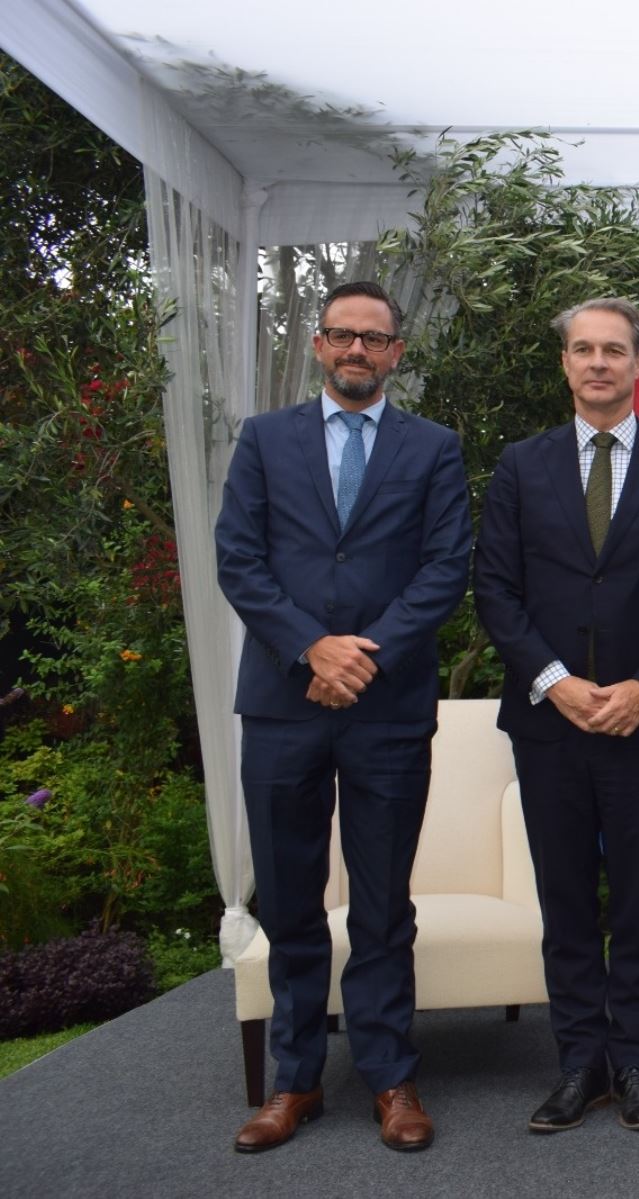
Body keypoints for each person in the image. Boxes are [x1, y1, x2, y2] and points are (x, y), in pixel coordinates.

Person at [216, 281, 472, 1153]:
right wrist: (311, 649)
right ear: (319, 344)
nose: (358, 350)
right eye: (342, 336)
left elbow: (445, 568)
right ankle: (293, 1083)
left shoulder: (434, 448)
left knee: (381, 904)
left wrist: (361, 655)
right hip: (284, 705)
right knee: (289, 899)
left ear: (397, 351)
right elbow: (239, 561)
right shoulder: (264, 440)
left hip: (389, 707)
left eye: (375, 338)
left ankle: (391, 1076)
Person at [473, 297, 639, 1135]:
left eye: (613, 349)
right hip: (550, 723)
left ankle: (638, 1061)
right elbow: (495, 590)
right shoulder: (520, 465)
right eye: (583, 349)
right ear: (566, 364)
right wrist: (556, 680)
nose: (598, 363)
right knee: (568, 896)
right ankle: (581, 1062)